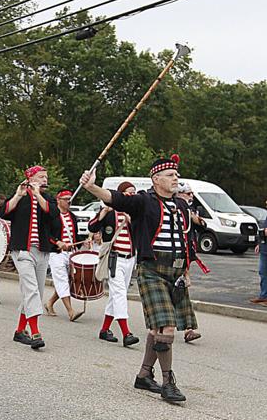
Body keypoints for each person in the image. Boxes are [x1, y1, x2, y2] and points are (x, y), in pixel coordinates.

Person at [80, 154, 197, 403]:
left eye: (176, 174)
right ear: (156, 179)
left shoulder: (183, 206)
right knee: (167, 326)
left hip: (175, 273)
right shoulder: (144, 202)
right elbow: (116, 198)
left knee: (158, 328)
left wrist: (186, 271)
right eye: (170, 175)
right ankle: (168, 382)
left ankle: (144, 375)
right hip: (152, 270)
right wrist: (91, 187)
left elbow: (187, 242)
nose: (176, 178)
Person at [2, 165, 57, 350]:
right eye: (41, 177)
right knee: (32, 290)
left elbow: (53, 213)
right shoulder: (21, 196)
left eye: (46, 177)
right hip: (23, 250)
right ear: (31, 178)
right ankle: (35, 332)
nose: (45, 180)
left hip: (41, 251)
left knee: (36, 292)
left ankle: (19, 330)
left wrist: (38, 194)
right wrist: (18, 195)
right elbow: (3, 212)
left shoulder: (47, 198)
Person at [87, 181, 140, 346]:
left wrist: (132, 220)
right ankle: (126, 333)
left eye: (134, 192)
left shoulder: (134, 213)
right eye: (129, 192)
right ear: (122, 194)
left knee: (117, 295)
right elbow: (92, 227)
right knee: (119, 294)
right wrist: (102, 214)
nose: (132, 195)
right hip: (115, 259)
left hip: (130, 258)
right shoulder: (110, 212)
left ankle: (104, 329)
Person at [44, 189, 84, 321]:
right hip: (57, 253)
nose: (69, 202)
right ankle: (71, 311)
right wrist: (57, 242)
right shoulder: (52, 216)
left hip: (70, 253)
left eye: (70, 199)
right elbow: (46, 234)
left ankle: (49, 303)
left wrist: (84, 244)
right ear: (58, 200)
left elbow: (75, 235)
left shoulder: (72, 216)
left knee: (68, 282)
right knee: (62, 281)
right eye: (66, 199)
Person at [176, 182, 206, 342]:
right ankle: (160, 326)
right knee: (175, 291)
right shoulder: (173, 208)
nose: (191, 197)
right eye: (188, 194)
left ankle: (188, 329)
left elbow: (203, 227)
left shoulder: (190, 210)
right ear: (180, 194)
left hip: (185, 255)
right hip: (169, 255)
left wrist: (196, 219)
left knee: (181, 291)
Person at [251, 198, 267, 305]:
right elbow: (263, 231)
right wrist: (259, 244)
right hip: (264, 248)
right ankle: (264, 295)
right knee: (263, 272)